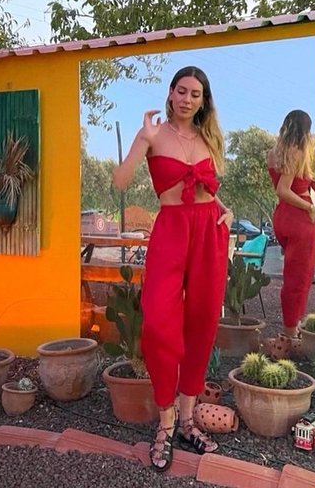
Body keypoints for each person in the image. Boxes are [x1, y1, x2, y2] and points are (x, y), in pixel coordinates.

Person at [112, 66, 233, 473]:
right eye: (182, 91)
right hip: (170, 230)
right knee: (158, 324)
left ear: (203, 101)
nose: (187, 99)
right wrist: (141, 139)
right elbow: (120, 180)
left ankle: (186, 420)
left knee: (202, 322)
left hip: (209, 232)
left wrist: (226, 212)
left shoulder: (207, 138)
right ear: (170, 93)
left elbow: (207, 191)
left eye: (195, 94)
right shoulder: (153, 135)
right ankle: (165, 421)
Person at [266, 109, 315, 344]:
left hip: (282, 217)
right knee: (300, 276)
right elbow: (283, 189)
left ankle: (292, 325)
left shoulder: (273, 154)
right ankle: (290, 332)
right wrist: (309, 207)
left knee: (292, 273)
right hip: (298, 217)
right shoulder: (296, 153)